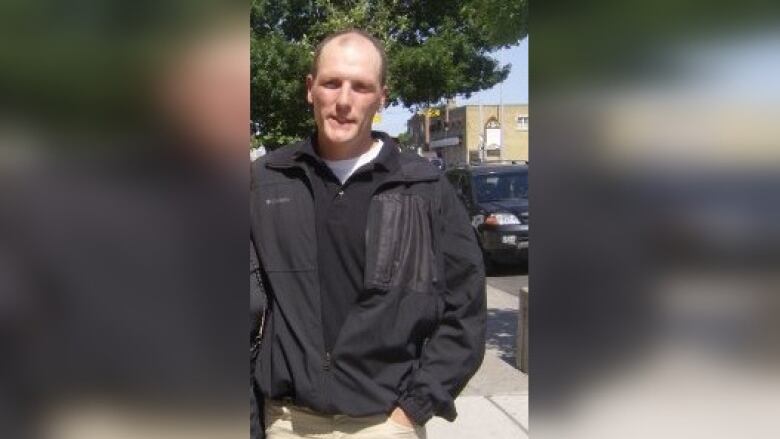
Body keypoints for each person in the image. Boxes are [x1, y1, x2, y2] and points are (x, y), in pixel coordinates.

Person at [250, 29, 486, 439]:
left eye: (361, 87)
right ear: (310, 89)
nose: (344, 101)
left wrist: (413, 410)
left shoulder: (423, 187)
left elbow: (465, 311)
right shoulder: (266, 182)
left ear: (382, 97)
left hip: (384, 424)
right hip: (287, 421)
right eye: (331, 82)